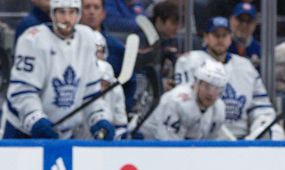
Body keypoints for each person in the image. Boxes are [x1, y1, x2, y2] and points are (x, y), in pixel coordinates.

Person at [2, 0, 115, 140]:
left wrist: (99, 117)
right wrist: (35, 119)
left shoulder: (87, 38)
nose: (67, 18)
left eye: (72, 12)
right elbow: (23, 91)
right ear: (52, 13)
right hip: (22, 132)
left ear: (79, 14)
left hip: (64, 134)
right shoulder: (32, 39)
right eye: (61, 12)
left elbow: (90, 93)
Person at [174, 17, 283, 140]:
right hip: (204, 139)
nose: (220, 39)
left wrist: (259, 130)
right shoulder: (190, 61)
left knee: (274, 130)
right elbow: (185, 104)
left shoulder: (245, 66)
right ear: (206, 37)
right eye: (216, 35)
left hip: (244, 139)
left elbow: (261, 107)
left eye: (224, 35)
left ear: (230, 38)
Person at [140, 59, 227, 140]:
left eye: (217, 89)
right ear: (196, 83)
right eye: (207, 86)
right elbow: (168, 144)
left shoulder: (219, 109)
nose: (211, 93)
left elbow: (211, 145)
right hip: (145, 144)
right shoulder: (177, 101)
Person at [228, 2, 261, 67]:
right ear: (231, 20)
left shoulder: (260, 50)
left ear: (255, 24)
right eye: (240, 20)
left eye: (249, 21)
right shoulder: (221, 46)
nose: (244, 25)